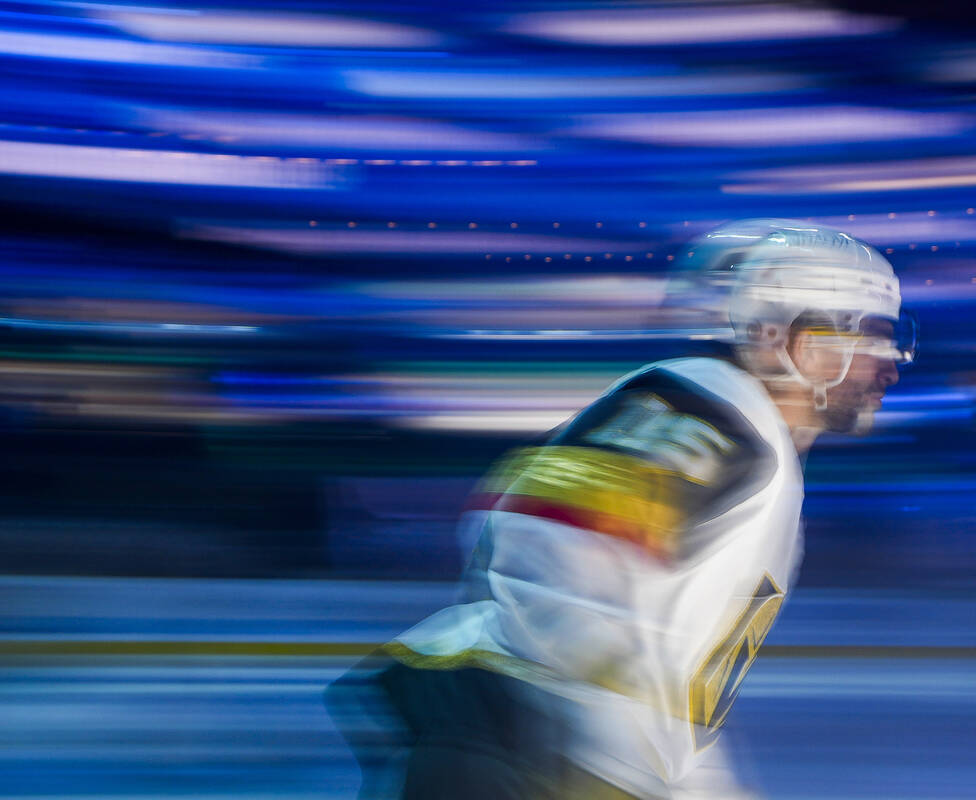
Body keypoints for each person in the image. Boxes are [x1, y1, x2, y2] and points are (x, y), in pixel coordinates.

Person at [328, 220, 917, 800]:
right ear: (775, 337)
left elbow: (668, 688)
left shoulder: (749, 434)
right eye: (861, 335)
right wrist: (588, 739)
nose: (887, 362)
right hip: (521, 755)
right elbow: (547, 534)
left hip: (529, 751)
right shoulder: (719, 406)